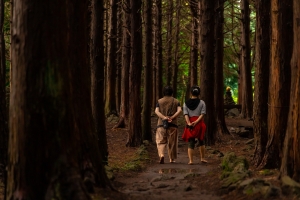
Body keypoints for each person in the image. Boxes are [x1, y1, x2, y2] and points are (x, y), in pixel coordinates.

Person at [155, 86, 182, 164]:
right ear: (172, 92)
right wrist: (172, 117)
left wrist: (164, 118)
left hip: (161, 124)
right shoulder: (176, 101)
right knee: (172, 142)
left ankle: (162, 155)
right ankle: (171, 159)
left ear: (164, 92)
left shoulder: (159, 101)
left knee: (160, 141)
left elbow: (156, 111)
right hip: (173, 124)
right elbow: (179, 110)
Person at [182, 86, 207, 164]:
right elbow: (202, 114)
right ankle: (202, 158)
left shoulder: (185, 103)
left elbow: (185, 114)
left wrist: (189, 123)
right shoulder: (202, 102)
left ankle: (191, 160)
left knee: (191, 141)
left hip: (190, 124)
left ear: (191, 93)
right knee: (201, 140)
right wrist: (196, 122)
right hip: (199, 123)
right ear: (199, 93)